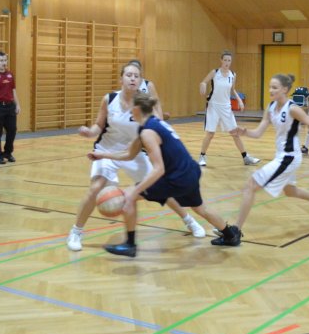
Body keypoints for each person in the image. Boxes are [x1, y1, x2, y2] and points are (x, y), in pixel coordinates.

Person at [66, 62, 205, 252]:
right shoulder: (109, 99)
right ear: (121, 79)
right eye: (129, 75)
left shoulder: (143, 103)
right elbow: (99, 125)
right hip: (106, 149)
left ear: (140, 81)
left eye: (136, 76)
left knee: (160, 187)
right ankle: (76, 232)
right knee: (95, 188)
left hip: (134, 151)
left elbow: (156, 125)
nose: (132, 78)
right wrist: (89, 132)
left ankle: (189, 221)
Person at [90, 92, 242, 257]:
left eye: (130, 107)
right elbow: (129, 154)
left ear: (136, 109)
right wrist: (103, 155)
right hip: (190, 172)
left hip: (176, 178)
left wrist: (134, 192)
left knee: (127, 196)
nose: (128, 110)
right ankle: (230, 235)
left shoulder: (147, 132)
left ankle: (130, 245)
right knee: (201, 208)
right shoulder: (153, 123)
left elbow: (159, 169)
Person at [229, 73, 309, 235]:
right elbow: (258, 133)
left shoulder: (293, 109)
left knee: (250, 186)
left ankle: (235, 231)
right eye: (270, 87)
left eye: (275, 87)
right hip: (282, 156)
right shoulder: (270, 107)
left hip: (289, 157)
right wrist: (244, 132)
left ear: (284, 89)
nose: (271, 90)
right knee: (290, 191)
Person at [197, 51, 259, 168]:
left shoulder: (233, 74)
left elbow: (233, 89)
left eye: (229, 60)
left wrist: (239, 100)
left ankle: (246, 157)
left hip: (226, 107)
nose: (227, 62)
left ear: (231, 62)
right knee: (210, 133)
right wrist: (203, 84)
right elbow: (203, 82)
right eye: (225, 60)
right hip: (213, 106)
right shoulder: (215, 72)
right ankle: (202, 157)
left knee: (235, 133)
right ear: (221, 60)